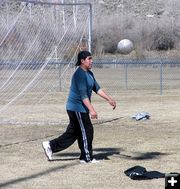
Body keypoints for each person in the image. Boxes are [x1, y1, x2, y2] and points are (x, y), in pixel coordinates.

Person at [42, 50, 116, 163]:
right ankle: (87, 157)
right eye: (89, 59)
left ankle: (50, 146)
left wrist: (109, 99)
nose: (92, 61)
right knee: (87, 130)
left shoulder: (89, 74)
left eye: (92, 58)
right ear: (82, 61)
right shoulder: (79, 75)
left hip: (78, 109)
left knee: (73, 133)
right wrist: (92, 110)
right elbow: (83, 96)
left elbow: (97, 89)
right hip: (76, 108)